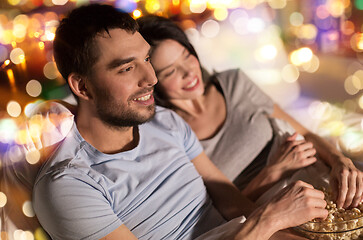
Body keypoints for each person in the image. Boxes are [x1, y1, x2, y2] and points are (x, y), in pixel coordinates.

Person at [32, 4, 328, 239]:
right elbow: (259, 221)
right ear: (82, 87)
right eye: (126, 69)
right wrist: (270, 219)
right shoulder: (69, 184)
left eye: (147, 60)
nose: (151, 79)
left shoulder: (165, 122)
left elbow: (232, 203)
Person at [137, 15, 363, 206]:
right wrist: (273, 172)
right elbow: (216, 211)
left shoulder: (233, 83)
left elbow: (305, 133)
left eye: (187, 56)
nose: (188, 72)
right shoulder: (171, 132)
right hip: (274, 211)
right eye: (170, 72)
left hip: (322, 179)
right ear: (153, 82)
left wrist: (340, 161)